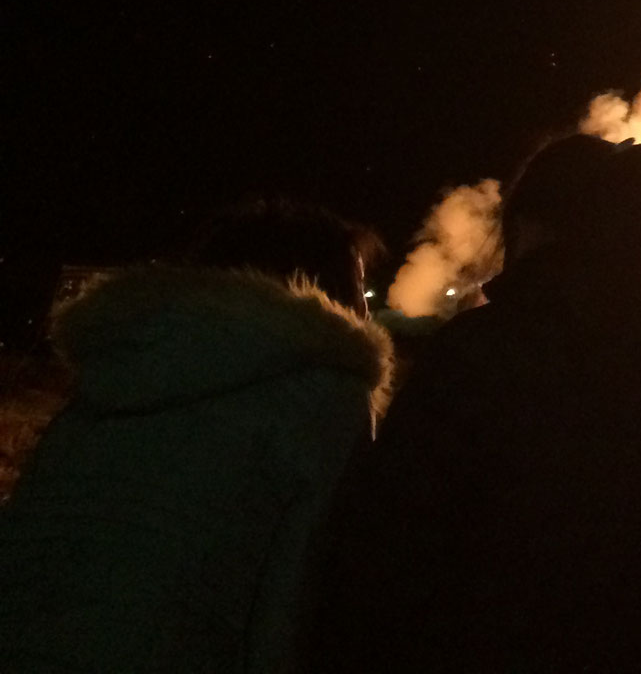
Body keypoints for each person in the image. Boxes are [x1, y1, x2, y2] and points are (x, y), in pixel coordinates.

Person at [309, 135, 641, 674]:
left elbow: (396, 523)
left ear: (535, 222)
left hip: (471, 648)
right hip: (617, 645)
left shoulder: (489, 344)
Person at [0, 198, 392, 674]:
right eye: (356, 284)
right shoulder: (324, 396)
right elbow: (293, 606)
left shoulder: (118, 365)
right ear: (323, 290)